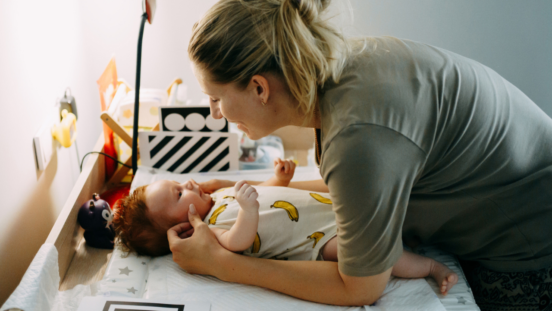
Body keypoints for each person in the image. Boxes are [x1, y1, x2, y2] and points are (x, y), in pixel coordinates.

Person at [168, 0, 552, 309]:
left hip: (531, 243)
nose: (215, 112)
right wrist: (249, 187)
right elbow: (355, 188)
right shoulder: (338, 67)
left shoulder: (356, 133)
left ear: (259, 88)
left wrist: (223, 265)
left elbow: (360, 288)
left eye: (215, 98)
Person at [113, 158, 459, 295]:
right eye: (179, 193)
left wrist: (276, 179)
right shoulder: (209, 229)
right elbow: (237, 242)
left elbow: (265, 192)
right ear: (183, 227)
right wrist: (247, 210)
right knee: (373, 253)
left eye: (179, 182)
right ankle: (428, 265)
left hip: (327, 207)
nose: (189, 184)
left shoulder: (217, 196)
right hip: (318, 240)